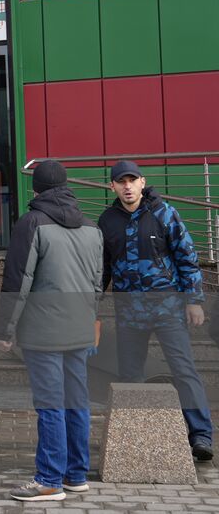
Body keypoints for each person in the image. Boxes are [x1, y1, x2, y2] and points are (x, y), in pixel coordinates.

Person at [0, 160, 104, 502]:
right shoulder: (91, 228)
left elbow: (17, 281)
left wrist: (4, 328)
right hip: (79, 327)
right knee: (76, 402)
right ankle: (75, 474)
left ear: (36, 189)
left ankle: (49, 480)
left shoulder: (32, 223)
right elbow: (98, 284)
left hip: (43, 332)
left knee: (50, 405)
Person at [99, 159, 212, 462]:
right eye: (121, 182)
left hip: (167, 308)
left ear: (142, 182)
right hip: (129, 313)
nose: (127, 186)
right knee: (130, 376)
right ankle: (137, 436)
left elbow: (187, 257)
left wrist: (194, 300)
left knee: (183, 370)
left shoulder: (164, 214)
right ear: (113, 186)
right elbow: (102, 269)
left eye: (132, 180)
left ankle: (201, 435)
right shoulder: (107, 221)